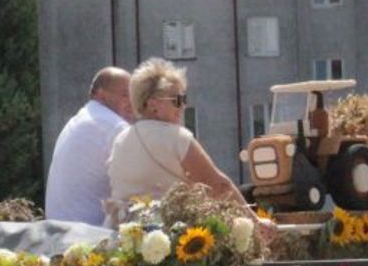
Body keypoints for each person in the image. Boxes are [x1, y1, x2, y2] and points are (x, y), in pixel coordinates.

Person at [106, 58, 267, 226]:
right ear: (153, 104)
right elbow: (218, 186)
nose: (183, 106)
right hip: (166, 235)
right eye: (177, 100)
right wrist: (255, 221)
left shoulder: (120, 139)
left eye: (184, 99)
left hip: (123, 236)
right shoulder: (176, 137)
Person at [44, 66, 133, 224]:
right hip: (89, 235)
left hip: (57, 230)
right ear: (101, 94)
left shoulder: (80, 120)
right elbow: (141, 181)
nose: (132, 103)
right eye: (125, 95)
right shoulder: (114, 126)